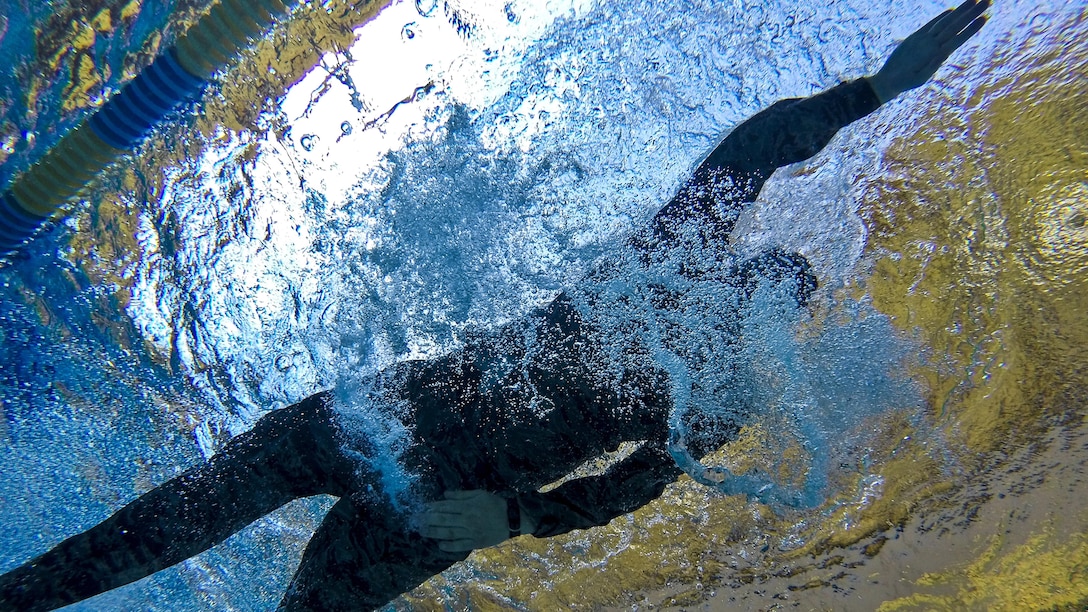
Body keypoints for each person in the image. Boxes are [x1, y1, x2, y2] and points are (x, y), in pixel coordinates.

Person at [0, 2, 989, 610]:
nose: (737, 307)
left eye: (761, 311)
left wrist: (515, 515)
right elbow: (751, 150)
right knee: (158, 530)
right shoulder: (657, 265)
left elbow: (628, 491)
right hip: (379, 419)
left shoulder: (721, 398)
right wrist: (870, 87)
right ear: (727, 272)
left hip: (440, 511)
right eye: (746, 282)